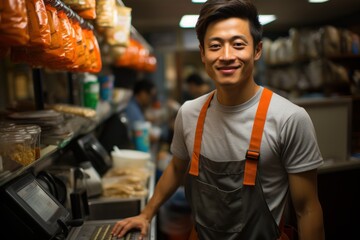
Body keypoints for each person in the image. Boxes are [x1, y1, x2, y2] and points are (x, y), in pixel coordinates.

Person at [112, 1, 325, 239]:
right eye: (215, 46)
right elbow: (176, 167)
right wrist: (146, 214)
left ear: (257, 50)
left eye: (238, 45)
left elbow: (307, 209)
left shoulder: (290, 118)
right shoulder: (189, 112)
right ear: (203, 53)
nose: (226, 56)